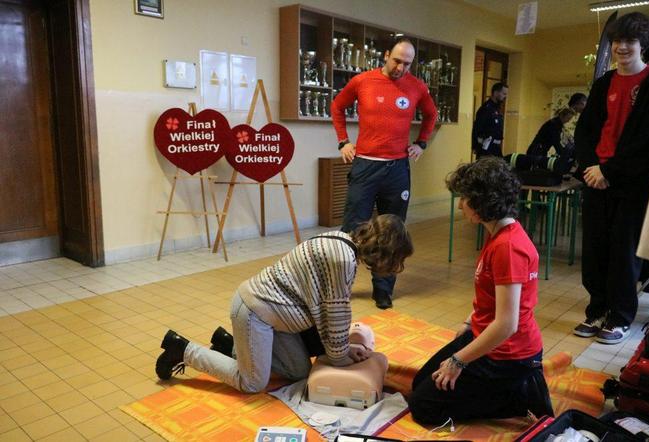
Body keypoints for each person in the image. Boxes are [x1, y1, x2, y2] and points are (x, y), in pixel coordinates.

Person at [155, 214, 414, 393]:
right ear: (386, 251)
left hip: (273, 318)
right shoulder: (342, 259)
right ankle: (184, 350)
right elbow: (336, 317)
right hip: (254, 311)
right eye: (397, 260)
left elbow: (331, 315)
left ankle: (229, 344)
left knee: (299, 371)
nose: (395, 268)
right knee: (252, 383)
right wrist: (344, 357)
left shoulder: (342, 241)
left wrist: (344, 350)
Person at [408, 157, 552, 424]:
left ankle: (515, 397)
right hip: (486, 334)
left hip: (508, 354)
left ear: (482, 202)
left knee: (423, 408)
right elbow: (492, 299)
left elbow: (507, 325)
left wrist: (459, 360)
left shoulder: (508, 248)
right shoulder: (498, 234)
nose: (460, 204)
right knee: (420, 384)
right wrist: (469, 322)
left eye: (464, 198)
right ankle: (502, 390)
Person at [573, 12, 649, 344]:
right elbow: (585, 132)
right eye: (617, 41)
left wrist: (609, 171)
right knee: (595, 249)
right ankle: (597, 309)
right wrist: (590, 168)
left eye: (630, 41)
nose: (622, 47)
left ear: (643, 43)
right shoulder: (603, 83)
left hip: (632, 184)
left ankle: (621, 316)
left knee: (624, 253)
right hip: (595, 179)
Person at [331, 37, 437, 309]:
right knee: (353, 229)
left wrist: (421, 143)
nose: (401, 67)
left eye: (407, 64)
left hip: (397, 168)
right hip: (365, 165)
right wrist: (343, 141)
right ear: (386, 55)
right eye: (397, 61)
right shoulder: (362, 81)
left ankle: (383, 289)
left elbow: (431, 114)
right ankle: (341, 287)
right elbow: (337, 106)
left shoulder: (416, 86)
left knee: (393, 230)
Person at [472, 82, 508, 158]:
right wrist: (475, 146)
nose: (505, 96)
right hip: (487, 148)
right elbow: (477, 128)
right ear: (495, 93)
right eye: (504, 94)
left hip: (496, 148)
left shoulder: (497, 109)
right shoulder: (486, 109)